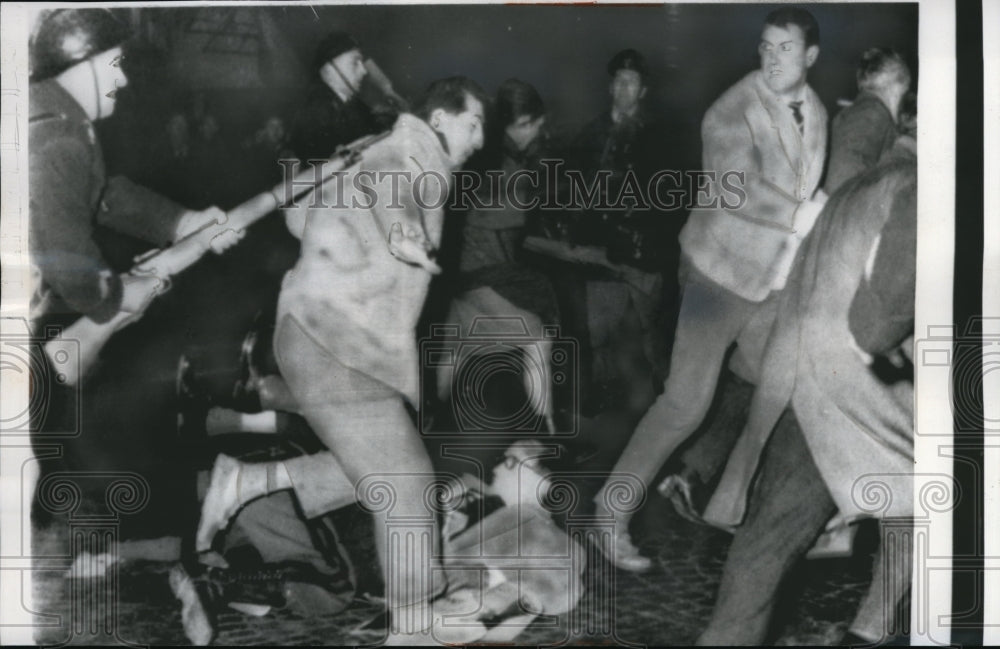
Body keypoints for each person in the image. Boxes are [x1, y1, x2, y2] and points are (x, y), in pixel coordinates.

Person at [193, 77, 490, 643]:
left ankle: (245, 483)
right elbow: (393, 189)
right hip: (334, 344)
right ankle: (414, 621)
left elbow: (298, 219)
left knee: (382, 472)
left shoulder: (377, 149)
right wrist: (403, 230)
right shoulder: (412, 155)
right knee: (406, 482)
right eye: (473, 123)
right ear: (441, 118)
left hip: (324, 338)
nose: (479, 139)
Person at [592, 7, 829, 572]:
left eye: (785, 49)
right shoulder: (732, 109)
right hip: (717, 278)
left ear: (810, 56)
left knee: (785, 382)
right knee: (685, 402)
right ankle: (609, 509)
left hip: (769, 285)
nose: (772, 59)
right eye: (766, 47)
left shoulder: (817, 112)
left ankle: (730, 499)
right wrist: (804, 213)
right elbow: (738, 189)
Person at [696, 106, 917, 647]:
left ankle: (726, 638)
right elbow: (879, 321)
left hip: (797, 379)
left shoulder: (858, 186)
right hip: (850, 393)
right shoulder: (922, 190)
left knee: (768, 541)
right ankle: (871, 628)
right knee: (936, 487)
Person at [28, 8, 240, 436]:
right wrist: (120, 296)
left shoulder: (63, 121)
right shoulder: (58, 138)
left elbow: (103, 195)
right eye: (114, 65)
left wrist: (184, 221)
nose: (121, 79)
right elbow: (64, 255)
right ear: (81, 63)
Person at [437, 78, 561, 430]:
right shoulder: (506, 168)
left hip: (455, 274)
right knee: (537, 334)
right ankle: (546, 433)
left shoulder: (481, 155)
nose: (539, 132)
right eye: (534, 125)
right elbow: (517, 223)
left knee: (454, 348)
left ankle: (428, 425)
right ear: (519, 124)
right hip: (482, 273)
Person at [569, 48, 673, 401]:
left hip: (645, 254)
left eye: (633, 82)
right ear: (610, 86)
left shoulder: (660, 136)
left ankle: (666, 412)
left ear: (643, 91)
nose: (625, 88)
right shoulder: (589, 136)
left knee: (654, 338)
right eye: (619, 81)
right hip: (601, 254)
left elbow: (671, 199)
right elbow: (572, 190)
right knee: (599, 337)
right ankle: (602, 413)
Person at [289, 31, 386, 164]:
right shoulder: (316, 115)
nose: (363, 71)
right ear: (329, 70)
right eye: (354, 62)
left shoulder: (355, 104)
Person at [824, 47, 911, 195]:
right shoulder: (873, 113)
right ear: (896, 90)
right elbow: (842, 177)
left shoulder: (847, 114)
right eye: (903, 95)